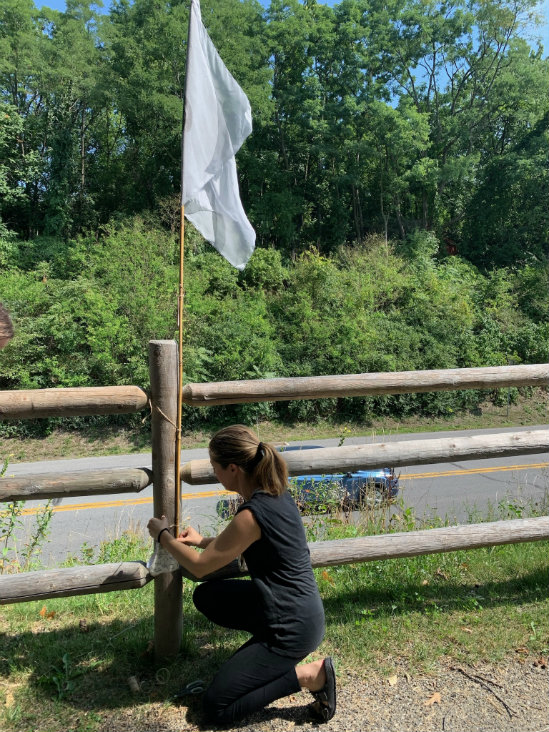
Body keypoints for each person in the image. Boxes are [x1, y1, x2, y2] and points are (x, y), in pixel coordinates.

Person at [147, 424, 336, 725]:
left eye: (215, 467)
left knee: (216, 709)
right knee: (208, 596)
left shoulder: (251, 514)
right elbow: (233, 545)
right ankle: (262, 655)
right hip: (295, 608)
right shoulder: (274, 494)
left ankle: (310, 675)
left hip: (291, 628)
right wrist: (200, 540)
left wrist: (163, 537)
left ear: (233, 468)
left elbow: (199, 567)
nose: (214, 474)